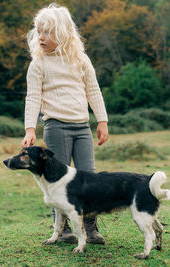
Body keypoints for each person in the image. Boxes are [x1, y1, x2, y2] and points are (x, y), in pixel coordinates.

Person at [21, 3, 109, 244]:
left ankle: (90, 227)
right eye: (38, 31)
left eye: (47, 32)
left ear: (63, 33)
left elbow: (93, 90)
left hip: (82, 128)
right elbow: (33, 98)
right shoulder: (38, 64)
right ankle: (63, 229)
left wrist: (102, 121)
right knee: (56, 178)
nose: (41, 37)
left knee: (88, 176)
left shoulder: (80, 59)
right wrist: (30, 128)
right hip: (56, 127)